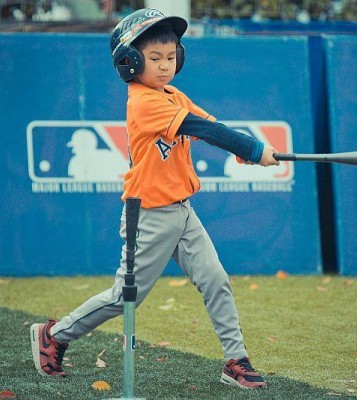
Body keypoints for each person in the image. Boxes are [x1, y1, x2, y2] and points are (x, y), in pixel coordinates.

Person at [30, 8, 279, 389]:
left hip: (182, 211)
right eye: (154, 58)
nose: (165, 66)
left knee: (216, 280)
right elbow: (198, 128)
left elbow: (211, 126)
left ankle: (236, 360)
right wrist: (252, 147)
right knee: (123, 298)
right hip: (147, 214)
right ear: (129, 63)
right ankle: (56, 334)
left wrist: (243, 149)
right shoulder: (144, 102)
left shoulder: (172, 93)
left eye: (170, 57)